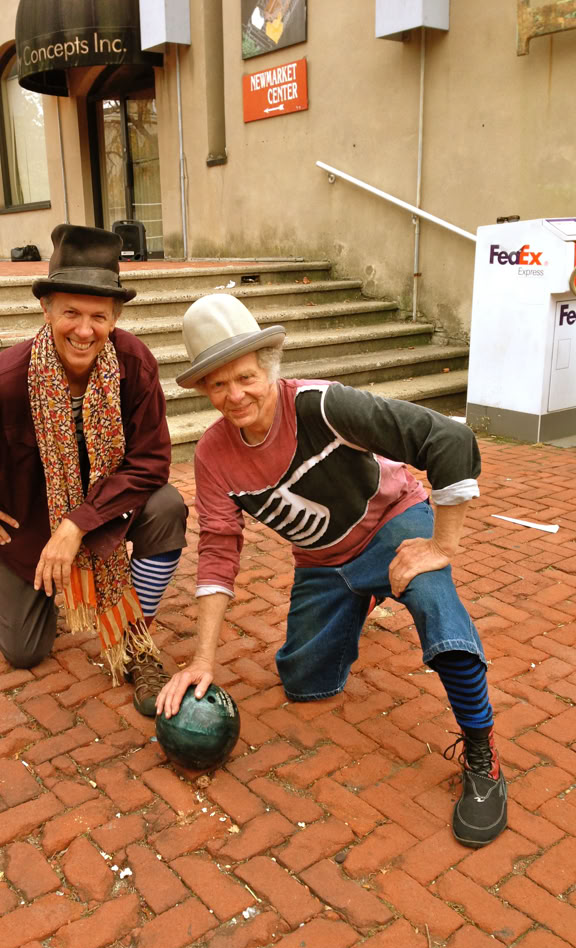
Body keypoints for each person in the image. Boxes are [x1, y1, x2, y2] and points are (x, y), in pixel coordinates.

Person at [157, 293, 507, 848]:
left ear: (268, 367)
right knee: (305, 683)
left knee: (434, 602)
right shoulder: (213, 455)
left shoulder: (323, 406)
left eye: (245, 377)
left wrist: (442, 544)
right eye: (218, 384)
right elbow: (220, 550)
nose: (235, 395)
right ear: (203, 389)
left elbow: (450, 438)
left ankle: (483, 754)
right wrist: (203, 659)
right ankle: (363, 595)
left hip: (393, 526)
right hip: (322, 561)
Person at [0, 224, 188, 715]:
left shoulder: (133, 364)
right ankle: (52, 592)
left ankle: (135, 642)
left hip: (103, 515)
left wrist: (77, 523)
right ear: (46, 309)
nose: (84, 330)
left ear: (115, 318)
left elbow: (151, 460)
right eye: (71, 312)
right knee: (24, 652)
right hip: (27, 525)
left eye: (98, 316)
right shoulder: (4, 379)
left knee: (167, 506)